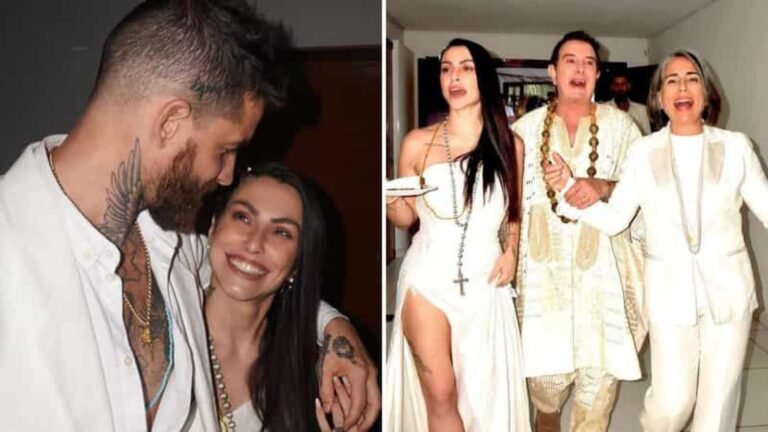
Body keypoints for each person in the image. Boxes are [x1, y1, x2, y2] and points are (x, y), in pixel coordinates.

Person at [0, 1, 378, 430]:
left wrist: (338, 332)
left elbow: (265, 278)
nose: (226, 175)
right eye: (226, 149)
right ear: (171, 121)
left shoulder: (173, 241)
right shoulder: (12, 258)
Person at [551, 49, 766, 432]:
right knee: (671, 405)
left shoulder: (736, 147)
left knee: (718, 408)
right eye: (672, 81)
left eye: (692, 79)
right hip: (669, 295)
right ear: (659, 98)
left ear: (706, 93)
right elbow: (616, 219)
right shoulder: (643, 152)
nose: (683, 88)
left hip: (728, 292)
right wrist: (569, 189)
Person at [385, 38, 530, 431]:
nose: (454, 77)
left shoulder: (510, 145)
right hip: (426, 279)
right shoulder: (417, 142)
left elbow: (513, 211)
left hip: (484, 280)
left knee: (479, 394)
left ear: (484, 78)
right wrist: (391, 201)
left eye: (466, 68)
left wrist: (512, 251)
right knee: (441, 393)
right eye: (446, 68)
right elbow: (404, 217)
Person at [511, 30, 646, 432]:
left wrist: (602, 186)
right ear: (552, 72)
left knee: (599, 380)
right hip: (541, 271)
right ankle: (546, 415)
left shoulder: (622, 127)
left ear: (598, 75)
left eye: (589, 62)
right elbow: (507, 200)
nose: (580, 69)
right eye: (570, 60)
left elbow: (643, 189)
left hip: (604, 268)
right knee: (544, 380)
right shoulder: (524, 130)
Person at [204, 163, 371, 431]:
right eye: (242, 217)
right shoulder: (162, 329)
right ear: (213, 228)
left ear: (297, 264)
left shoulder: (316, 379)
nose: (254, 243)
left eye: (282, 232)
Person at [604, 71, 652, 135]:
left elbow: (647, 136)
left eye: (623, 84)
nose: (620, 88)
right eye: (616, 85)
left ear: (629, 86)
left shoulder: (642, 110)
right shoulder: (605, 109)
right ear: (612, 87)